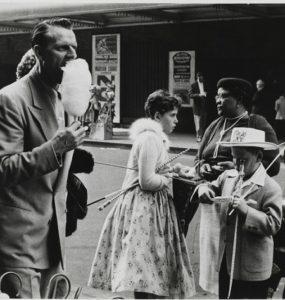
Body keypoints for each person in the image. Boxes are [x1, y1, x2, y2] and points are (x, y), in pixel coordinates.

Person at [0, 18, 88, 298]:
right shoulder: (11, 99)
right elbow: (4, 168)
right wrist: (55, 148)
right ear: (38, 52)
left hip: (55, 236)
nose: (72, 55)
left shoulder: (67, 97)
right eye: (62, 48)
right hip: (19, 237)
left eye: (74, 48)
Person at [88, 92, 196, 299]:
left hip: (151, 208)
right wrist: (169, 178)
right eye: (172, 115)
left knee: (153, 272)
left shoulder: (154, 138)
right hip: (144, 209)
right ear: (157, 116)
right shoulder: (149, 139)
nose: (176, 120)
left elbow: (155, 171)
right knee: (147, 274)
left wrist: (172, 171)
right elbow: (147, 181)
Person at [187, 77, 280, 295]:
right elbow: (198, 157)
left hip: (247, 192)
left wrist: (235, 168)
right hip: (218, 196)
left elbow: (272, 164)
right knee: (222, 254)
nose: (217, 100)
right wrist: (202, 171)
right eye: (217, 95)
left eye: (224, 96)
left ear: (239, 100)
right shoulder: (215, 124)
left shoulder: (256, 123)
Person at [198, 127, 283, 299]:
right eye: (234, 158)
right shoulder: (228, 176)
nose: (237, 165)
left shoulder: (270, 187)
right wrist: (202, 189)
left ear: (259, 157)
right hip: (227, 264)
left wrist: (246, 210)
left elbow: (273, 224)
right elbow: (211, 185)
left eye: (243, 160)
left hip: (253, 269)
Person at [189, 71, 209, 142]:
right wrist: (199, 95)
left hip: (204, 106)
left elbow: (209, 92)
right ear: (198, 77)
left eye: (202, 78)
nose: (202, 79)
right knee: (197, 122)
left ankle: (201, 135)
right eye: (200, 77)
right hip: (197, 107)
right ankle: (198, 136)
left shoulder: (205, 83)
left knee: (203, 122)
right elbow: (190, 95)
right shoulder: (193, 85)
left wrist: (206, 94)